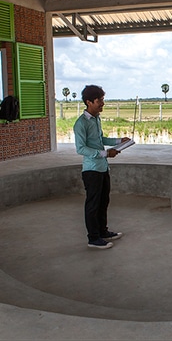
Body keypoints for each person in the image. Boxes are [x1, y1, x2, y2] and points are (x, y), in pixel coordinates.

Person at [74, 85, 130, 249]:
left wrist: (119, 141)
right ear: (89, 102)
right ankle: (93, 238)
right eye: (99, 101)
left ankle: (102, 231)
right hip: (91, 170)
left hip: (103, 168)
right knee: (93, 204)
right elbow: (81, 148)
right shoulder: (81, 124)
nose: (102, 104)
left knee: (103, 201)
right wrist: (105, 154)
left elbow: (100, 139)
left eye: (102, 100)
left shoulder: (96, 118)